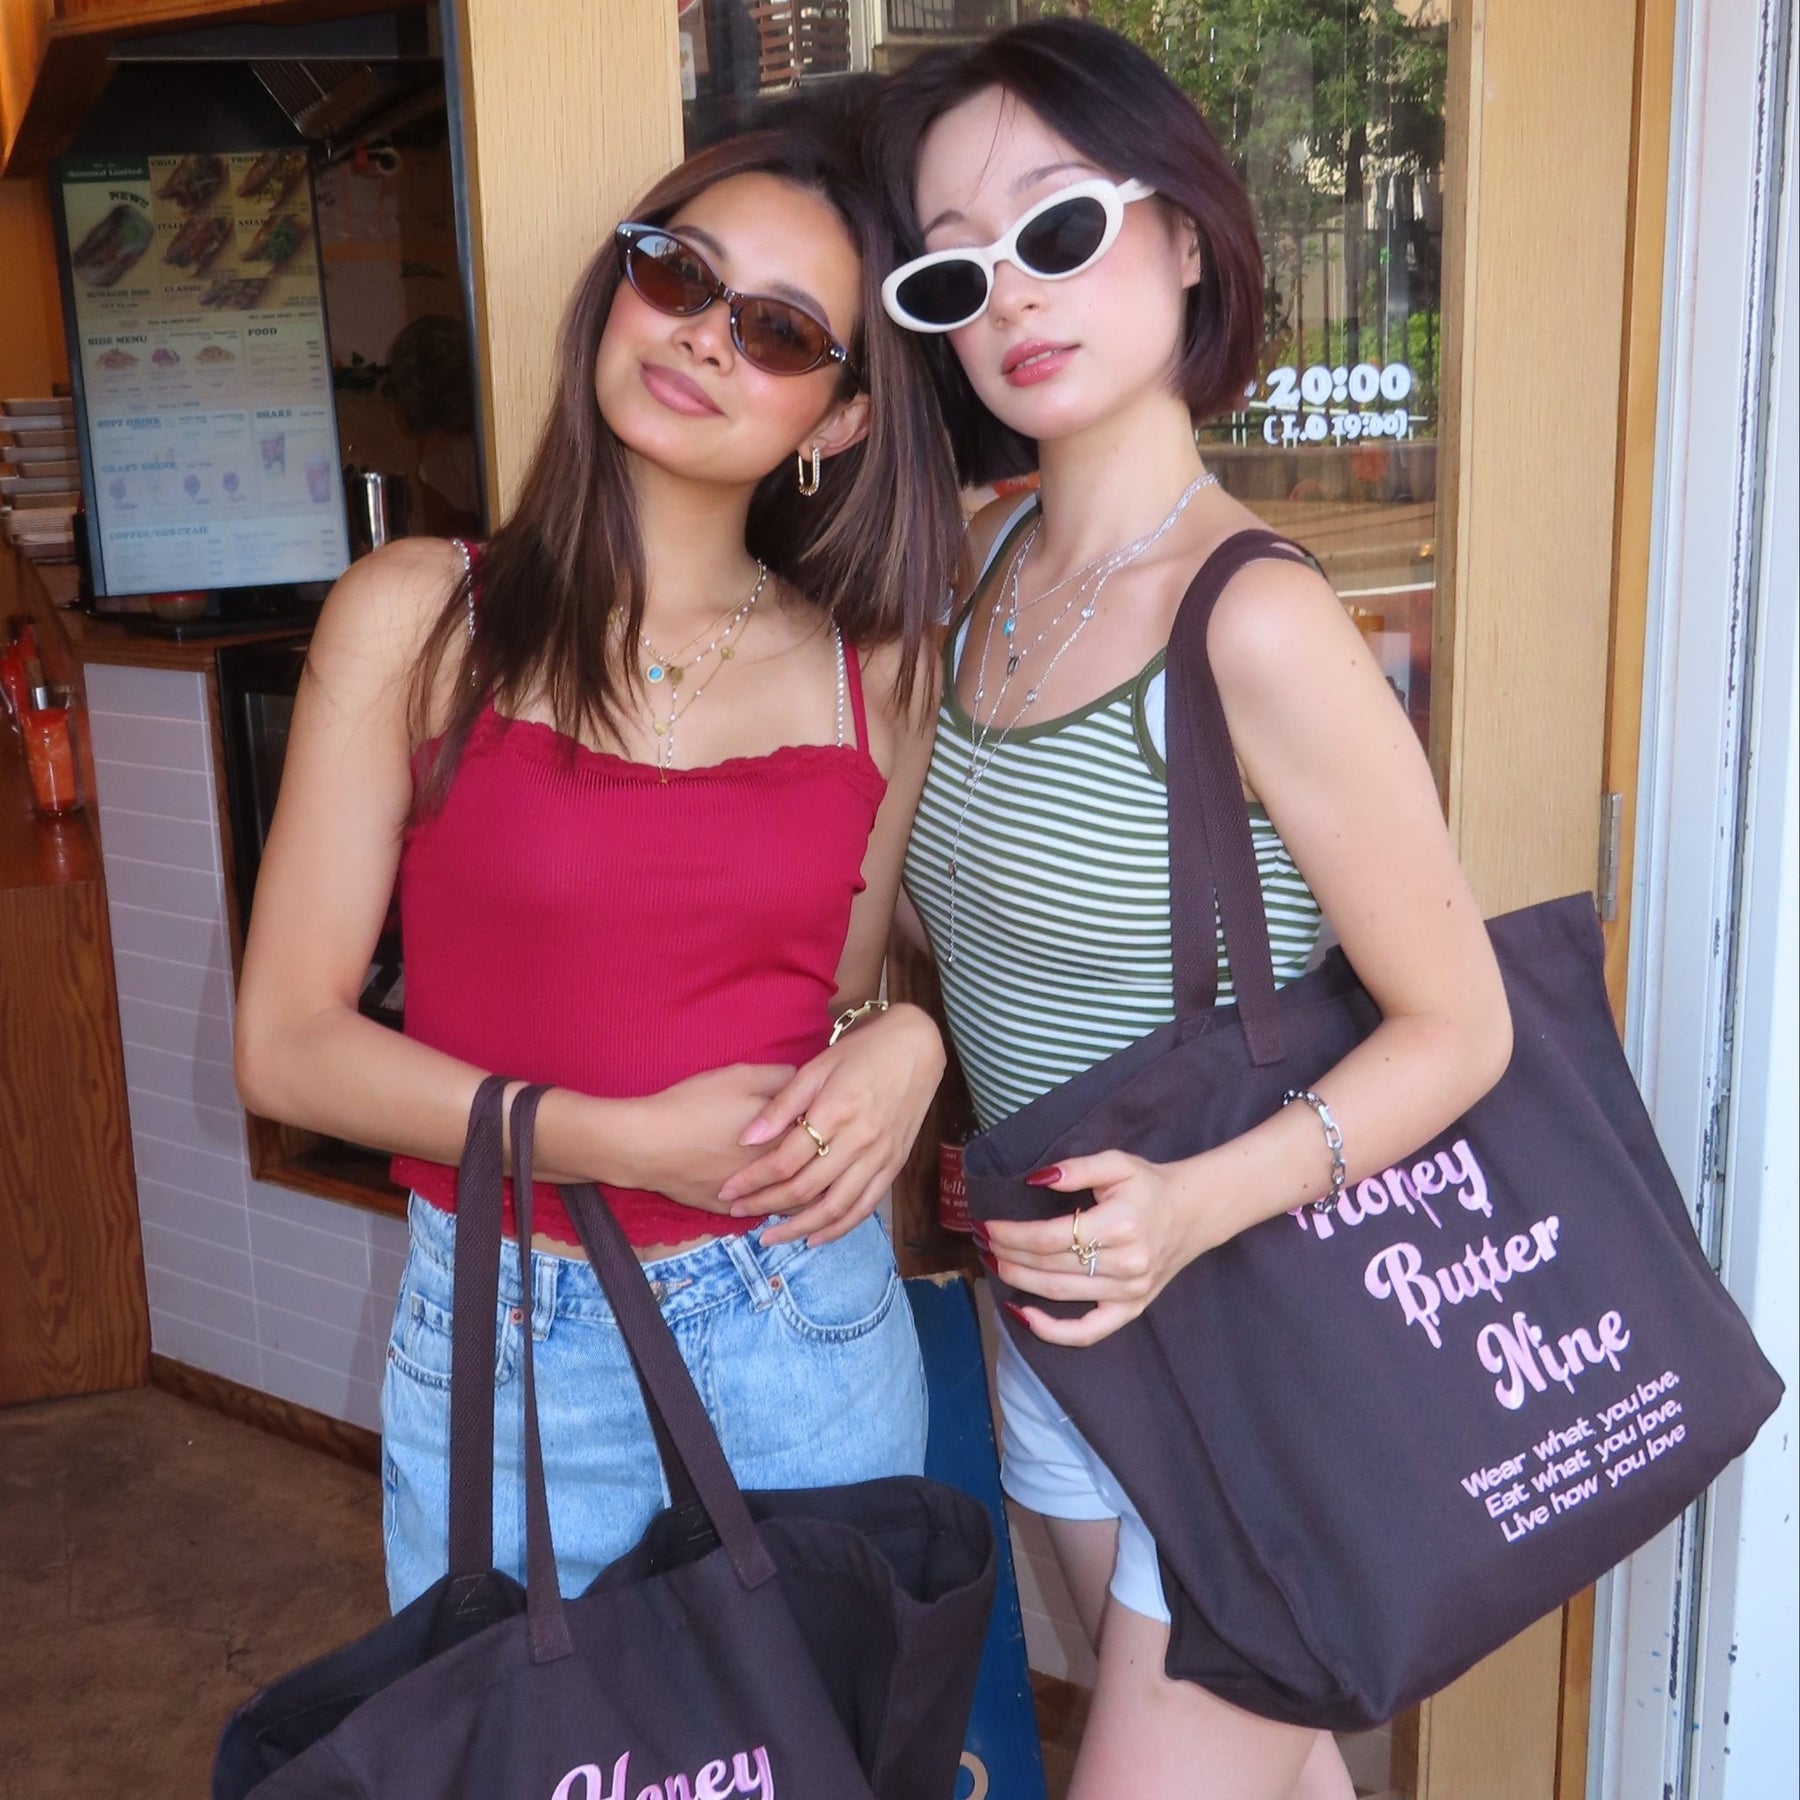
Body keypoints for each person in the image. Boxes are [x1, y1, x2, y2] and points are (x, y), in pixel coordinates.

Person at [869, 21, 1512, 1798]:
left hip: (1251, 1332)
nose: (1011, 292)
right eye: (954, 268)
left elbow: (1463, 1023)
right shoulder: (978, 572)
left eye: (1058, 227)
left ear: (1181, 237)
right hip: (1061, 1336)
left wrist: (1196, 1206)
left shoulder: (1256, 618)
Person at [234, 125, 961, 1609]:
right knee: (508, 1725)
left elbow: (830, 1002)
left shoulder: (874, 675)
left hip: (804, 1324)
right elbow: (286, 1047)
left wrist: (907, 1038)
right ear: (616, 290)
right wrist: (618, 1142)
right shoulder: (422, 619)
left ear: (838, 420)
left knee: (820, 1728)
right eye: (680, 274)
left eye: (777, 330)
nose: (705, 334)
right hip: (511, 1333)